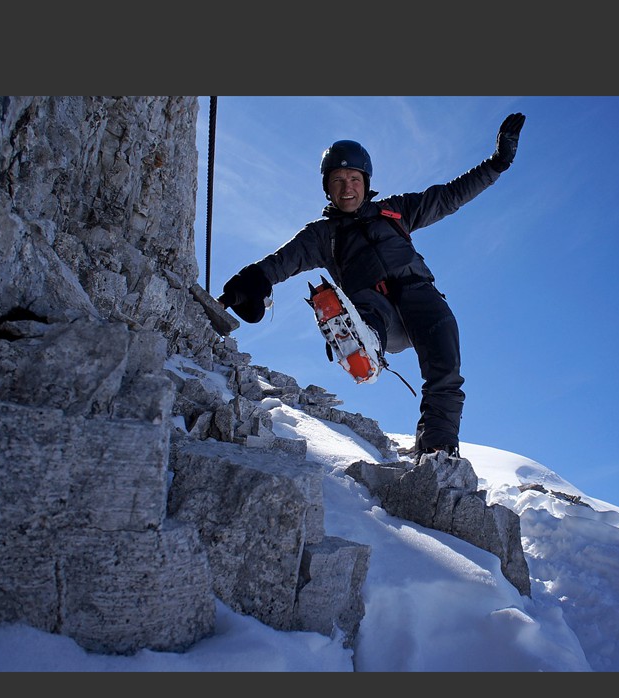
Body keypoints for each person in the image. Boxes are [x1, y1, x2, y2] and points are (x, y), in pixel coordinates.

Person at [219, 112, 526, 460]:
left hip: (420, 298)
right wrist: (246, 286)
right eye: (337, 180)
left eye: (353, 178)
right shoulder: (322, 235)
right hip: (378, 315)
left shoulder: (394, 211)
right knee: (366, 305)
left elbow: (448, 196)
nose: (346, 187)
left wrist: (497, 163)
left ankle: (437, 450)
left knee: (446, 361)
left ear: (365, 182)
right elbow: (280, 261)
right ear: (328, 188)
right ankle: (360, 342)